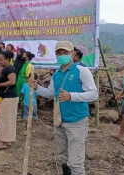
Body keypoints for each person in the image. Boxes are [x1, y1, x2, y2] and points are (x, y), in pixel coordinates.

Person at [32, 41, 97, 175]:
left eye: (65, 53)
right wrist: (37, 87)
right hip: (60, 121)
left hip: (77, 121)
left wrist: (71, 96)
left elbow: (93, 94)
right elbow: (51, 94)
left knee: (76, 162)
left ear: (72, 53)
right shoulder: (57, 74)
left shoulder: (82, 71)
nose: (62, 56)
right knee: (63, 157)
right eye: (59, 53)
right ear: (56, 55)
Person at [0, 51, 18, 150]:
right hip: (5, 96)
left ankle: (3, 141)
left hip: (9, 97)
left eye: (1, 60)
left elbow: (12, 81)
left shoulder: (10, 69)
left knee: (3, 118)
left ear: (8, 60)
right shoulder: (5, 68)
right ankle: (7, 139)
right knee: (7, 118)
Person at [16, 51, 35, 117]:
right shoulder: (22, 64)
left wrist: (26, 84)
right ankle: (19, 112)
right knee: (18, 95)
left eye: (24, 55)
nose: (22, 56)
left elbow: (28, 76)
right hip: (19, 80)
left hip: (24, 81)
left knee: (22, 97)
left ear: (27, 57)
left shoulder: (29, 65)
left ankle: (22, 115)